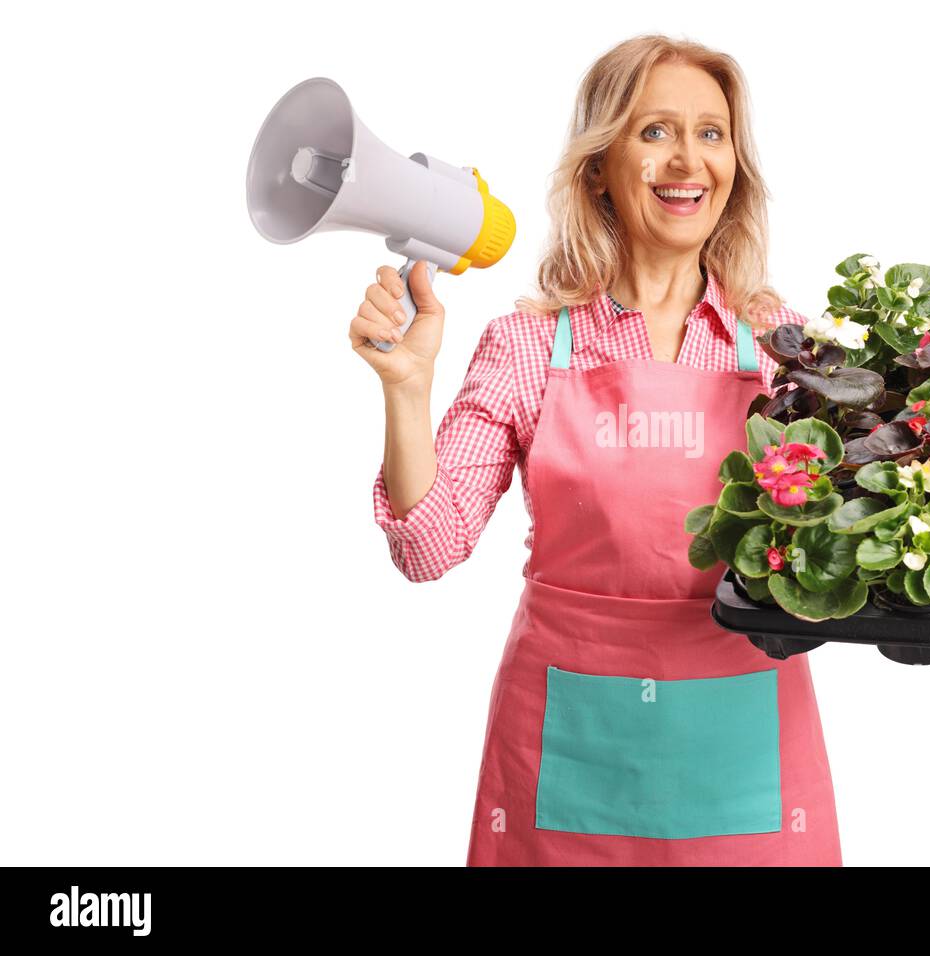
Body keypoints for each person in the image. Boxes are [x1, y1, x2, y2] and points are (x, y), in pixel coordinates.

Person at [349, 34, 841, 866]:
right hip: (568, 758)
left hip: (744, 752)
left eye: (711, 133)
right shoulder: (525, 347)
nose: (688, 160)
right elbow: (429, 550)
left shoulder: (788, 347)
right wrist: (406, 388)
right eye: (654, 132)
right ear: (596, 169)